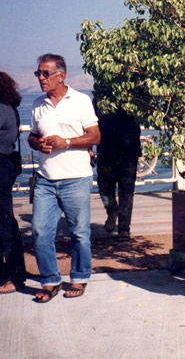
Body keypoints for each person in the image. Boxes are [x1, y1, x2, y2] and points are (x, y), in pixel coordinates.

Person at [28, 54, 100, 303]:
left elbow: (95, 136)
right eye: (38, 73)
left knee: (79, 233)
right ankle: (50, 281)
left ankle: (79, 277)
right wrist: (38, 143)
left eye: (45, 73)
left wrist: (66, 142)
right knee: (40, 231)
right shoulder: (37, 104)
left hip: (76, 178)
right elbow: (32, 136)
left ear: (61, 75)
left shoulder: (80, 101)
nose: (41, 78)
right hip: (45, 180)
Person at [94, 96, 141, 241]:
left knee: (126, 191)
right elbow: (90, 123)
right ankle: (112, 211)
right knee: (104, 187)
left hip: (129, 150)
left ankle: (124, 228)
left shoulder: (134, 95)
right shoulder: (99, 98)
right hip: (105, 150)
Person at [0, 72, 27, 294]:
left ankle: (11, 275)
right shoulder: (10, 108)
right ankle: (15, 272)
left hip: (1, 166)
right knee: (6, 220)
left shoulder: (2, 109)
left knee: (4, 223)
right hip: (6, 165)